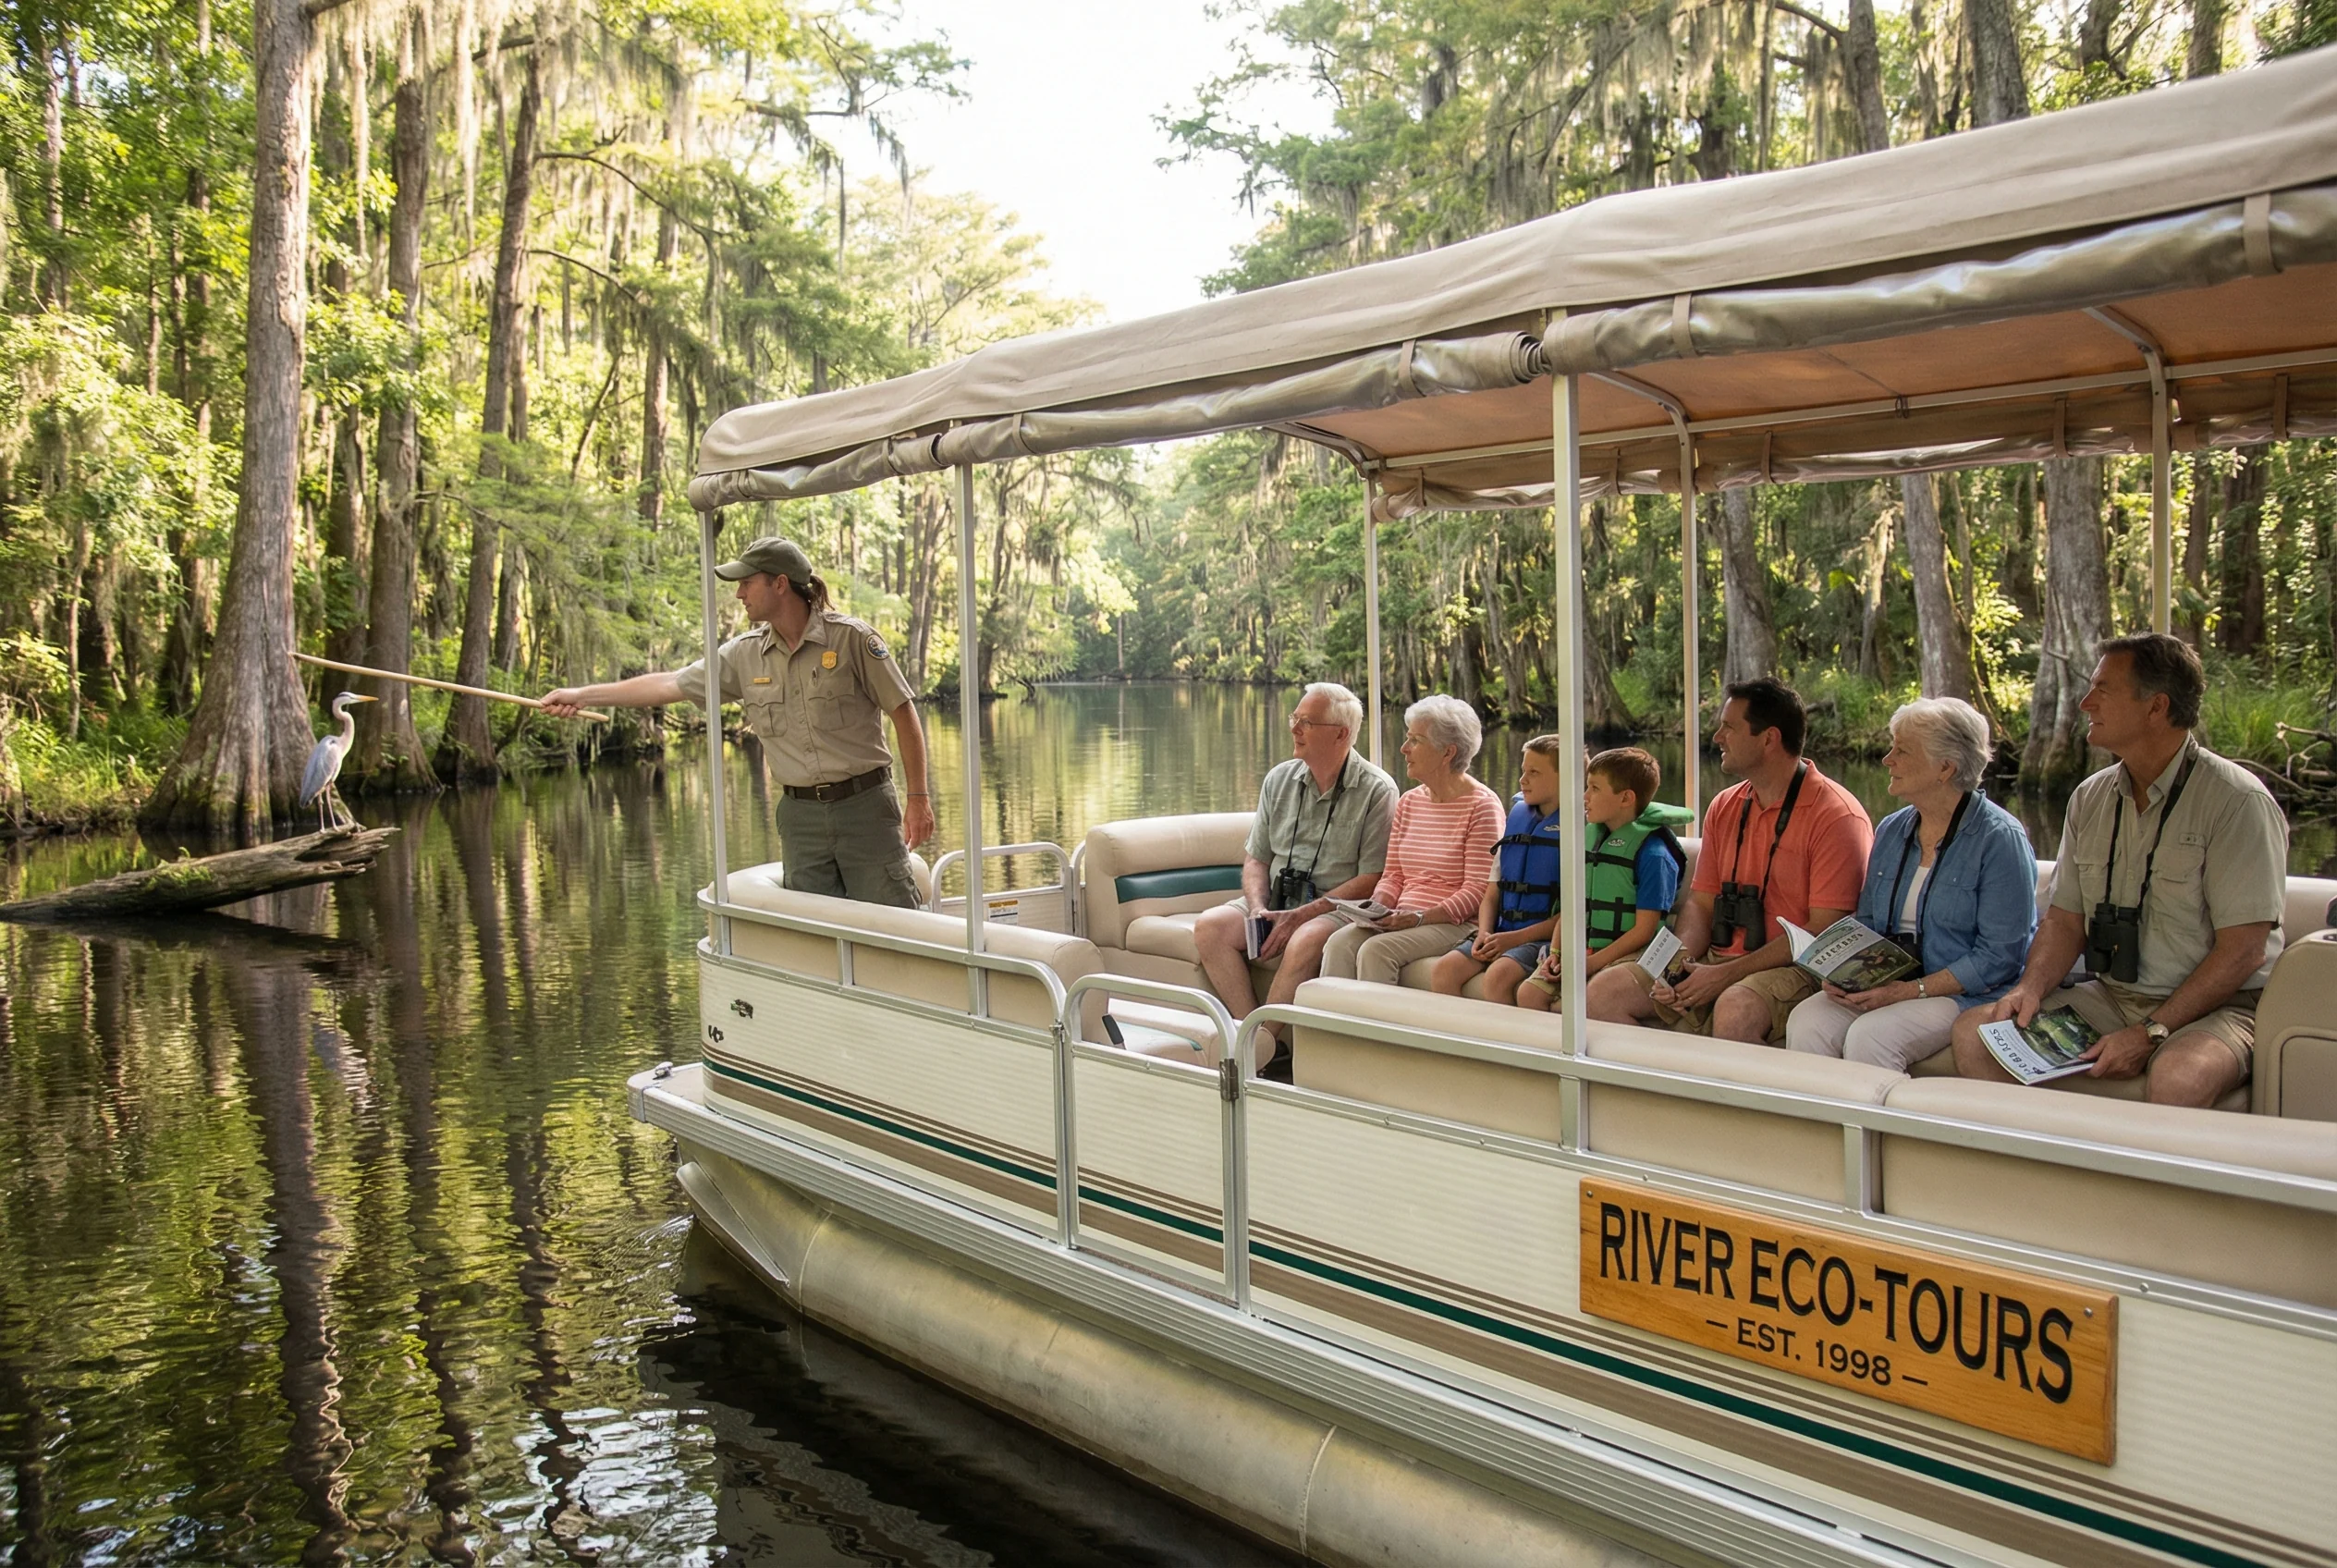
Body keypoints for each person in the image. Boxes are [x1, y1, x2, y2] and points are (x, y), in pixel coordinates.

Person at [1951, 634, 2289, 1108]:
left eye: (2102, 690)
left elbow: (2244, 952)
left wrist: (2151, 1031)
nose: (2086, 703)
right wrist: (2029, 988)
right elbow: (2065, 921)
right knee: (1975, 1034)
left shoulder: (2238, 803)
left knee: (2179, 1078)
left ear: (2156, 707)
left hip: (2221, 1009)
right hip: (2112, 997)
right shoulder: (2089, 798)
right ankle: (2038, 1174)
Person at [542, 535, 934, 908]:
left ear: (780, 584)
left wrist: (918, 798)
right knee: (814, 938)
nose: (739, 593)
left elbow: (902, 712)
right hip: (801, 820)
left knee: (893, 923)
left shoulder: (851, 640)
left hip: (865, 809)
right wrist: (580, 696)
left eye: (747, 583)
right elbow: (666, 685)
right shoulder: (744, 656)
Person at [1585, 680, 1873, 1044]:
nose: (1718, 736)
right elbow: (1701, 903)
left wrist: (1725, 976)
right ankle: (1669, 1091)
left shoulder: (1836, 816)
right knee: (1603, 992)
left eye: (1729, 727)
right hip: (1717, 956)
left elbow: (1821, 932)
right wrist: (1680, 963)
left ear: (1769, 739)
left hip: (1796, 966)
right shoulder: (1724, 805)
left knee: (1735, 1008)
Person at [1785, 698, 2036, 1070]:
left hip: (1962, 993)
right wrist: (1842, 973)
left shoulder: (2000, 839)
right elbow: (1867, 922)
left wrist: (1909, 991)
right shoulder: (1892, 829)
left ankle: (1874, 1130)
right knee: (1807, 1020)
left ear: (1945, 768)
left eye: (1901, 750)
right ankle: (1817, 1129)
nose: (1888, 759)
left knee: (1871, 1036)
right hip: (1890, 981)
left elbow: (1999, 958)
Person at [1191, 683, 1398, 1047]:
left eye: (1306, 722)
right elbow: (1257, 858)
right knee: (1210, 927)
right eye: (1295, 718)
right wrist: (1257, 909)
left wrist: (1300, 915)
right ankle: (1250, 1034)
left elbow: (1373, 878)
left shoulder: (1378, 790)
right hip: (1274, 900)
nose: (1294, 728)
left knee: (1304, 940)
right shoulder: (1279, 779)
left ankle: (1262, 1048)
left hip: (1336, 907)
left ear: (1341, 734)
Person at [1322, 695, 1504, 989]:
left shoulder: (1482, 807)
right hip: (1402, 916)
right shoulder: (1409, 801)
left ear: (1447, 753)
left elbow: (1477, 891)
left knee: (1376, 950)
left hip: (1453, 923)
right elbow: (1394, 874)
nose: (1404, 749)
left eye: (1415, 741)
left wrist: (1418, 918)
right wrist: (1377, 907)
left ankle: (1379, 1036)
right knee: (1338, 942)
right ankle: (1333, 1033)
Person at [1517, 746, 1692, 1011]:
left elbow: (1644, 930)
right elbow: (1572, 910)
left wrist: (1591, 964)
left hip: (1630, 955)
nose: (1584, 796)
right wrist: (1555, 954)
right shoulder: (1587, 840)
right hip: (1583, 950)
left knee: (1592, 996)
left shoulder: (1654, 855)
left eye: (1595, 789)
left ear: (1625, 798)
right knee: (1529, 993)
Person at [1431, 733, 1567, 1003]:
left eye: (1534, 772)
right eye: (1522, 770)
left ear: (1566, 777)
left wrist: (1512, 940)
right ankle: (1462, 1043)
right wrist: (1484, 932)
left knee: (1498, 975)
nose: (1522, 780)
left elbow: (1570, 915)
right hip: (1500, 931)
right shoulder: (1517, 819)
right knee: (1444, 971)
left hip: (1540, 938)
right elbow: (1491, 894)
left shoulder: (1578, 833)